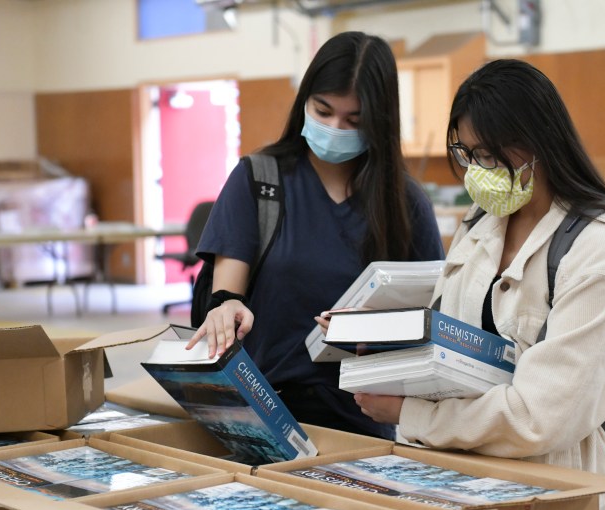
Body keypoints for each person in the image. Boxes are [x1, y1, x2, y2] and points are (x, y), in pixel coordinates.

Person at [353, 59, 605, 488]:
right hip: (449, 469)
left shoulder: (600, 250)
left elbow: (539, 418)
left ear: (540, 142)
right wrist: (383, 337)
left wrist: (410, 414)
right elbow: (453, 336)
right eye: (469, 154)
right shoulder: (483, 219)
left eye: (490, 155)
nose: (478, 170)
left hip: (545, 487)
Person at [188, 31, 445, 440]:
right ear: (304, 100)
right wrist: (225, 310)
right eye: (322, 111)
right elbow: (227, 295)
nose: (334, 128)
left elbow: (433, 319)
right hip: (264, 413)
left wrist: (373, 330)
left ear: (379, 122)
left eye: (354, 121)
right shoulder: (259, 180)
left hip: (362, 421)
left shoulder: (404, 203)